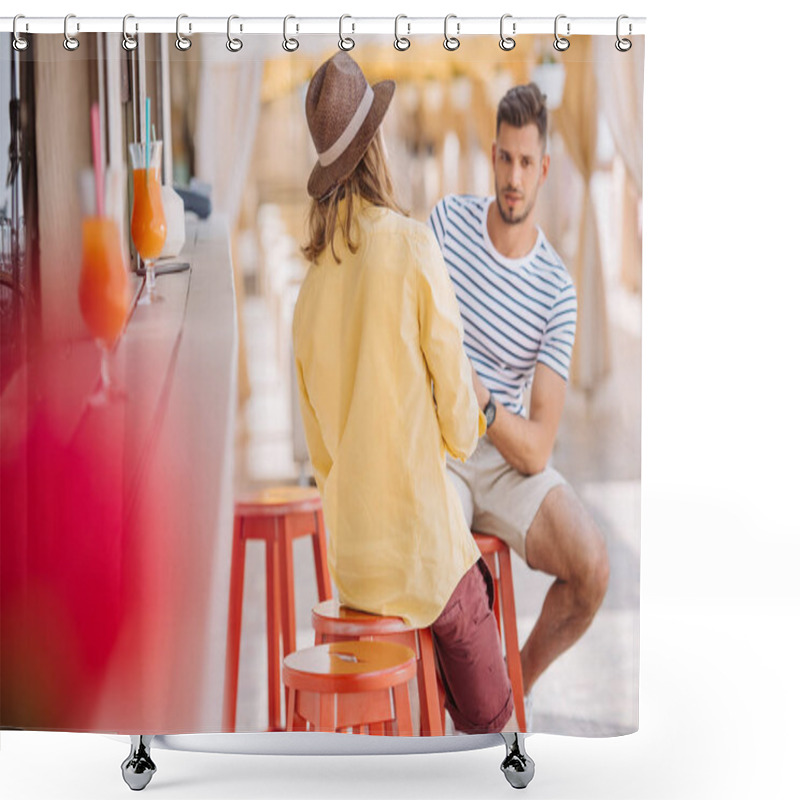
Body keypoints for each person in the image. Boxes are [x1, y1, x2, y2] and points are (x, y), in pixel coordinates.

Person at [292, 51, 513, 735]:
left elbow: (323, 459)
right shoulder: (413, 246)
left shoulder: (306, 297)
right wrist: (464, 430)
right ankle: (482, 749)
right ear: (375, 149)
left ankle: (407, 731)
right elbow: (457, 420)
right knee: (483, 662)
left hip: (352, 565)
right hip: (420, 555)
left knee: (450, 599)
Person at [428, 82, 610, 728]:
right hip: (439, 453)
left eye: (526, 163)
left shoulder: (557, 290)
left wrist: (480, 400)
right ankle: (453, 710)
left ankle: (510, 690)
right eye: (504, 159)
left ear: (545, 168)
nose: (512, 177)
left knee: (592, 568)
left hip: (506, 462)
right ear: (493, 153)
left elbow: (536, 448)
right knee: (437, 567)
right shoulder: (446, 225)